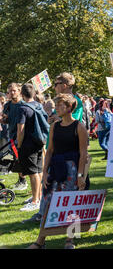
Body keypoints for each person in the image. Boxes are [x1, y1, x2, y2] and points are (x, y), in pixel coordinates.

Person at [27, 93, 88, 249]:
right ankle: (40, 241)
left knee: (71, 204)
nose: (57, 107)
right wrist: (45, 172)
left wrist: (81, 176)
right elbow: (50, 150)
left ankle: (70, 240)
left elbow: (83, 154)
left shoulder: (79, 126)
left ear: (69, 108)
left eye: (60, 105)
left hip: (72, 170)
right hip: (55, 168)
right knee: (48, 204)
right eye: (57, 104)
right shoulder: (55, 126)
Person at [17, 84, 49, 212]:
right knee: (39, 170)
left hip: (28, 144)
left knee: (32, 173)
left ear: (22, 94)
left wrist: (19, 145)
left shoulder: (22, 108)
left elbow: (21, 130)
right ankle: (38, 196)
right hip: (39, 141)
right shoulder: (38, 105)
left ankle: (35, 201)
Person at [1, 83, 28, 191]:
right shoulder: (7, 105)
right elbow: (6, 119)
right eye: (10, 91)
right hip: (11, 135)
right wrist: (3, 120)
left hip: (23, 136)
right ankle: (21, 180)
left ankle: (24, 181)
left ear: (19, 91)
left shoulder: (24, 105)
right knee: (16, 159)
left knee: (21, 158)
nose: (12, 93)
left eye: (14, 91)